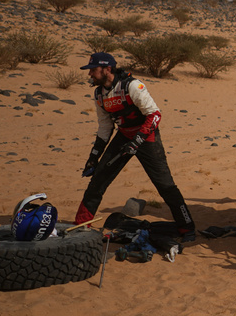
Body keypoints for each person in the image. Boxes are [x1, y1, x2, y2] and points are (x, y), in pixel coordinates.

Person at [74, 52, 196, 240]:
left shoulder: (132, 86)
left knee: (165, 185)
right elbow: (105, 127)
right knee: (98, 180)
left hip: (146, 137)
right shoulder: (99, 94)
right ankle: (80, 225)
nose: (90, 74)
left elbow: (154, 115)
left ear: (107, 69)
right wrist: (93, 157)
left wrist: (137, 141)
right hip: (123, 135)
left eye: (93, 70)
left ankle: (187, 228)